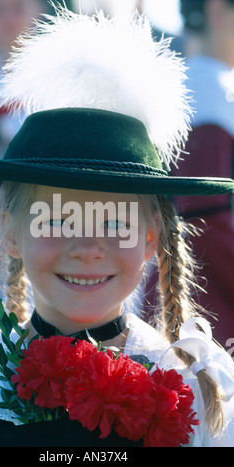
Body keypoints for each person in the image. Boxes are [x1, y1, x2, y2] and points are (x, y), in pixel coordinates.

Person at [0, 6, 233, 448]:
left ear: (152, 237)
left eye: (115, 222)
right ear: (11, 231)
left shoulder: (199, 389)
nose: (88, 247)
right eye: (56, 219)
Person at [170, 0, 234, 348]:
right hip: (210, 301)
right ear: (216, 10)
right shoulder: (209, 88)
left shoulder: (207, 83)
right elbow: (203, 218)